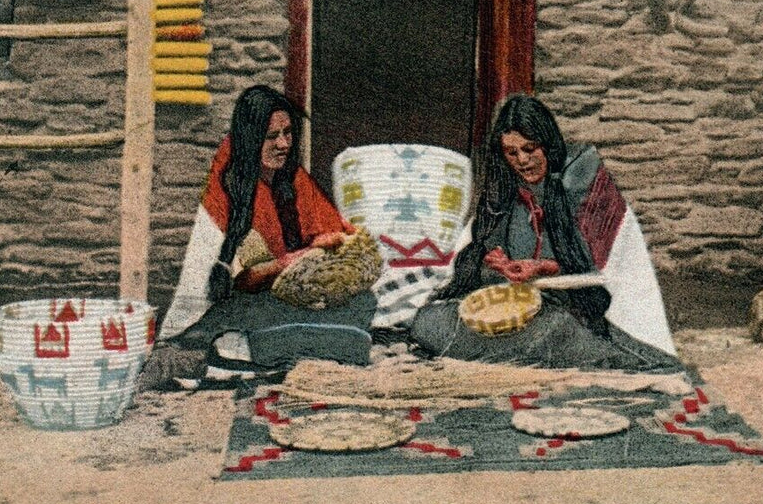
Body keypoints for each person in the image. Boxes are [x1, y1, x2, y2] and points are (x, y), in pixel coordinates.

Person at [410, 94, 681, 371]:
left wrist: (543, 267)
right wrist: (495, 260)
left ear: (547, 144)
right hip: (514, 309)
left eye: (530, 149)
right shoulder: (504, 185)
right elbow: (484, 247)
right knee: (429, 322)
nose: (522, 161)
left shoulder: (580, 177)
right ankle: (532, 355)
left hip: (567, 308)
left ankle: (566, 353)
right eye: (511, 152)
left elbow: (601, 266)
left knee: (557, 328)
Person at [139, 86, 374, 390]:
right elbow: (245, 279)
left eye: (288, 133)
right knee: (332, 338)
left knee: (364, 301)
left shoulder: (293, 178)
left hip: (292, 295)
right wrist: (295, 260)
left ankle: (284, 351)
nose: (283, 144)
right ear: (250, 138)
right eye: (271, 136)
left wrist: (342, 239)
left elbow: (328, 231)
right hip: (243, 302)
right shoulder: (230, 187)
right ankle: (241, 354)